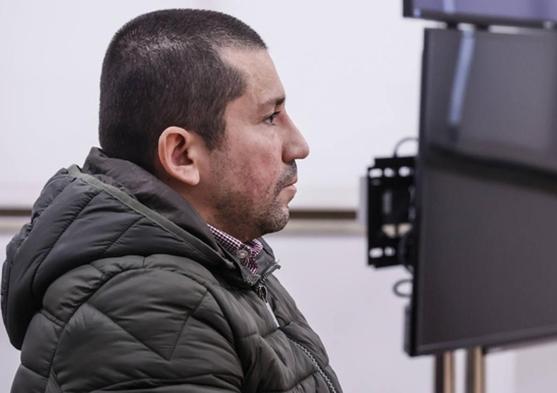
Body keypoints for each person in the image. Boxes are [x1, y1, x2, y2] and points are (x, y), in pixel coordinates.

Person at [1, 8, 343, 393]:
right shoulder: (145, 308)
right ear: (181, 155)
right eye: (270, 117)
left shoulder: (226, 260)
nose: (299, 146)